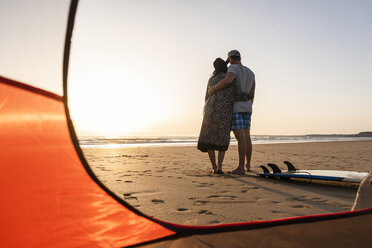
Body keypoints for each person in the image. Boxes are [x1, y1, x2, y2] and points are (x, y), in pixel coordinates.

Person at [208, 50, 255, 174]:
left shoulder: (233, 68)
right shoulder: (250, 72)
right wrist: (249, 105)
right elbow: (252, 91)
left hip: (237, 107)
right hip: (247, 107)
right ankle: (247, 165)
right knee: (247, 137)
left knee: (241, 138)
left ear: (230, 59)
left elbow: (228, 81)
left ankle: (240, 168)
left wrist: (213, 88)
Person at [197, 58, 237, 174]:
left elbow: (206, 97)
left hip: (210, 111)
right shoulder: (230, 78)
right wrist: (248, 95)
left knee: (209, 139)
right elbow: (237, 94)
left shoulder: (211, 79)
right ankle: (220, 167)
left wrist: (205, 112)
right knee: (222, 139)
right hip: (224, 113)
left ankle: (214, 168)